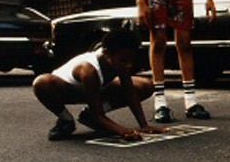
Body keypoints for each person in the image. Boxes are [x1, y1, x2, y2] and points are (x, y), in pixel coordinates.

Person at [33, 29, 163, 141]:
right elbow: (98, 114)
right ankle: (65, 120)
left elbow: (130, 92)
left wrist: (144, 125)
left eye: (130, 60)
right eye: (124, 60)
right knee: (41, 82)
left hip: (97, 90)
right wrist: (122, 131)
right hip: (69, 91)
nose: (128, 65)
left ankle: (88, 116)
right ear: (106, 53)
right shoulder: (88, 69)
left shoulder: (120, 61)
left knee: (145, 85)